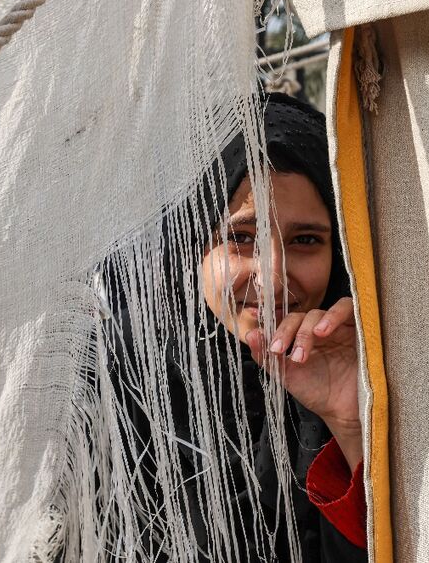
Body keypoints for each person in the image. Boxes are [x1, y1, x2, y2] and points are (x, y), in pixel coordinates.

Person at [104, 92, 367, 562]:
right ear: (192, 244)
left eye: (306, 240)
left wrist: (349, 426)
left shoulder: (369, 364)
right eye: (240, 238)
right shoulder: (125, 375)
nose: (271, 277)